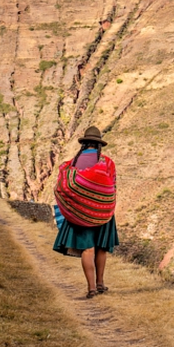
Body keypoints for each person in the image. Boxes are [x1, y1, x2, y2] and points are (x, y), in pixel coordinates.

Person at [53, 126, 120, 298]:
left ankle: (91, 288)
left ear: (84, 144)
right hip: (101, 212)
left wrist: (79, 205)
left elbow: (63, 186)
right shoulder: (106, 162)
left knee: (87, 250)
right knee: (101, 249)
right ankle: (100, 284)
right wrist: (99, 203)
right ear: (99, 145)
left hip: (78, 213)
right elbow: (111, 186)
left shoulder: (72, 163)